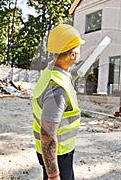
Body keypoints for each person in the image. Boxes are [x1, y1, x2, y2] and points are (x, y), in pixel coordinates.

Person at [32, 24, 85, 180]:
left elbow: (69, 76)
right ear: (73, 54)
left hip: (54, 154)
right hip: (58, 156)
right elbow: (47, 135)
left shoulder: (51, 71)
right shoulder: (57, 90)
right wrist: (54, 175)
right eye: (79, 47)